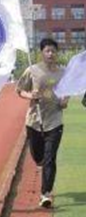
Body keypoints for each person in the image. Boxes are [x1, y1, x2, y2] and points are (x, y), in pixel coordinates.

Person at [17, 38, 68, 208]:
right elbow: (19, 90)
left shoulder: (63, 72)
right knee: (38, 157)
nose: (51, 54)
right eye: (47, 51)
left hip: (55, 121)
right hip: (34, 121)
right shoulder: (32, 70)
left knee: (49, 159)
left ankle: (45, 194)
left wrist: (65, 100)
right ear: (42, 53)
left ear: (57, 53)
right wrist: (30, 95)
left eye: (53, 51)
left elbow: (67, 90)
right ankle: (41, 162)